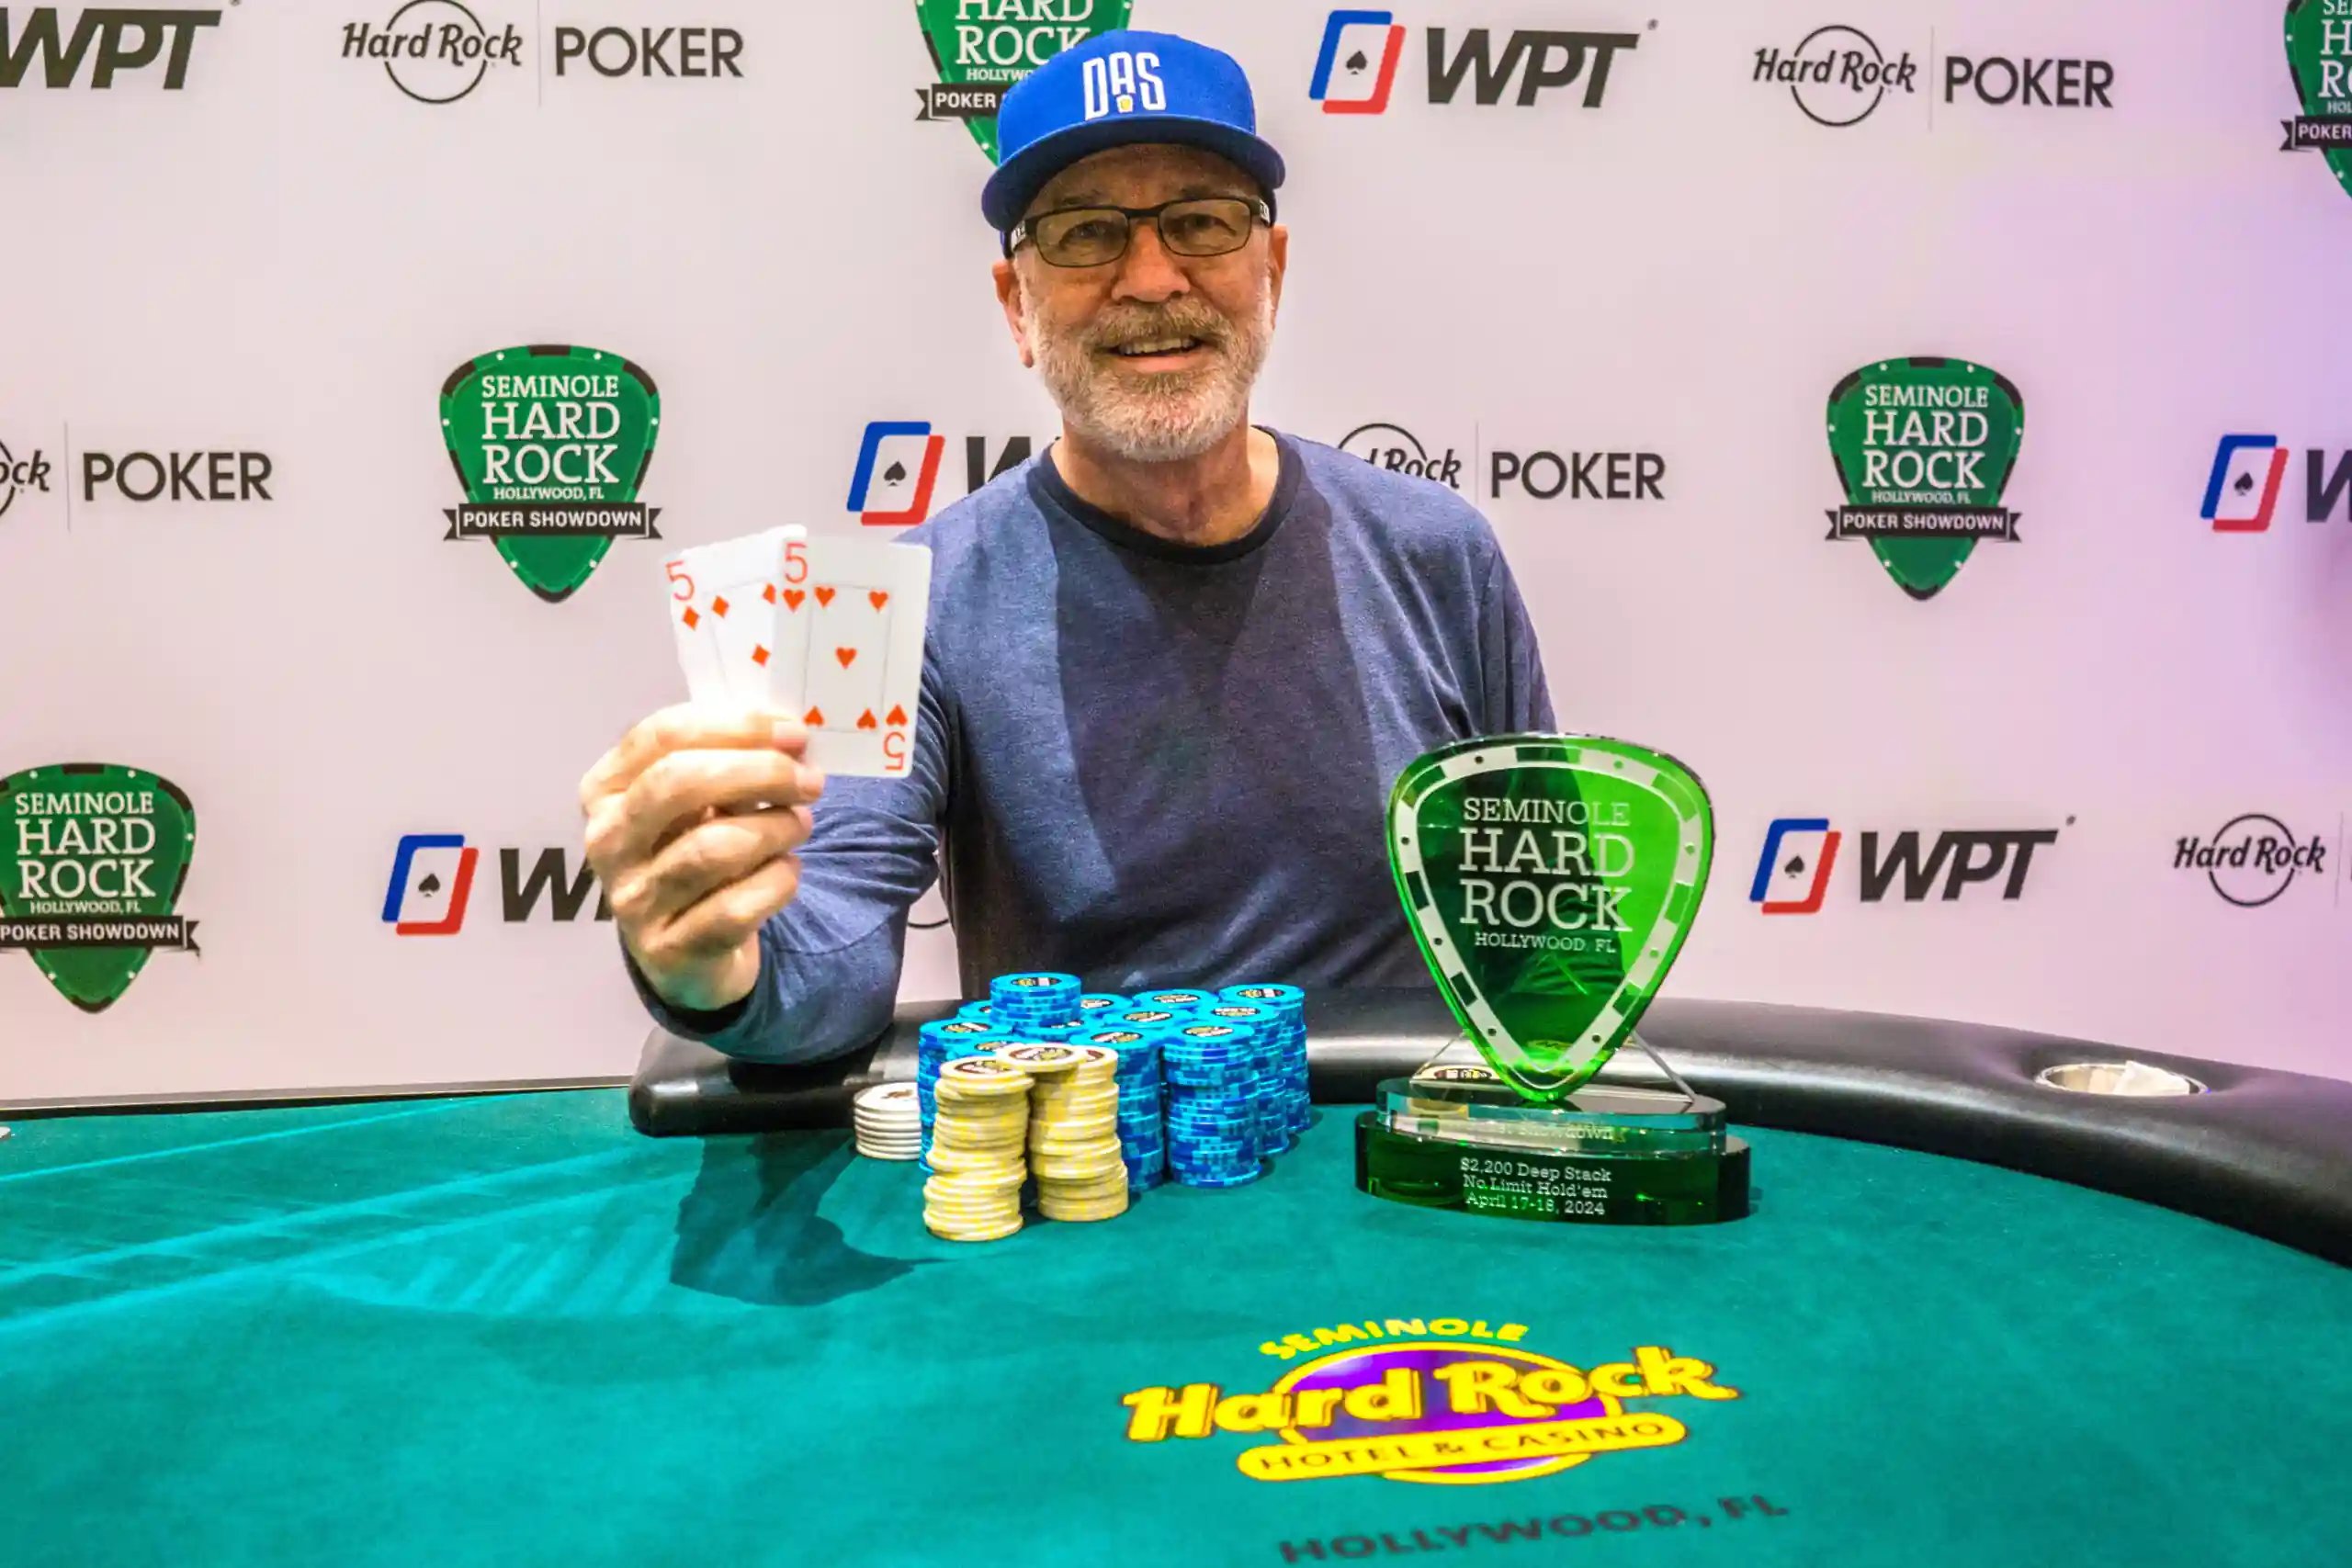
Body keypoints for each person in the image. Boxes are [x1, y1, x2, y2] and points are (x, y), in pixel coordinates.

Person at [579, 30, 1554, 1064]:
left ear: (1270, 269)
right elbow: (833, 945)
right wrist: (718, 967)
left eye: (1200, 222)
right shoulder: (889, 599)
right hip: (1081, 1193)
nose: (1149, 278)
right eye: (1087, 234)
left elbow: (1545, 942)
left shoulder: (1440, 551)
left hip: (1393, 1177)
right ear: (1016, 306)